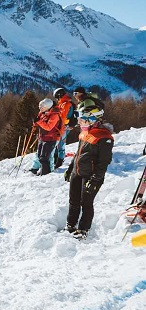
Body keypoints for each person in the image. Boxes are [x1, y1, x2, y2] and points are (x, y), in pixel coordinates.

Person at [64, 105, 113, 240]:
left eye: (83, 120)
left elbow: (104, 161)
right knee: (73, 201)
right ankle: (70, 224)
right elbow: (78, 153)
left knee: (86, 203)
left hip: (91, 176)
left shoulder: (104, 137)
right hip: (77, 172)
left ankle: (83, 230)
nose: (80, 122)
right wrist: (70, 169)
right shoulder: (84, 133)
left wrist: (95, 179)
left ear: (93, 119)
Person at [29, 98, 62, 176]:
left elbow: (49, 127)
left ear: (47, 107)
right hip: (42, 137)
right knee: (40, 155)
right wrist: (35, 123)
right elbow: (39, 122)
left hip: (51, 138)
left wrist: (38, 121)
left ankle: (46, 174)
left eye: (42, 106)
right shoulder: (42, 113)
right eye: (39, 106)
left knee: (44, 157)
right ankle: (43, 171)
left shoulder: (54, 115)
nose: (39, 108)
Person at [53, 88, 75, 168]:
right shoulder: (62, 103)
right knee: (56, 143)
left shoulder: (66, 104)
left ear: (60, 95)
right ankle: (55, 160)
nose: (57, 99)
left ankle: (59, 162)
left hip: (64, 127)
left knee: (61, 144)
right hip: (60, 126)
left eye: (57, 97)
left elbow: (63, 116)